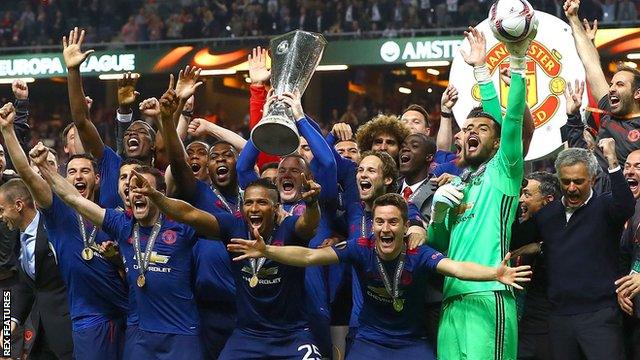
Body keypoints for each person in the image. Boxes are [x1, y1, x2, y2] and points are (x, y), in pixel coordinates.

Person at [227, 193, 531, 359]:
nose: (386, 228)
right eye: (380, 222)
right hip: (370, 342)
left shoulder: (418, 253)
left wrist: (496, 273)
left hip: (412, 344)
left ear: (404, 226)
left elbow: (457, 268)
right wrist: (267, 252)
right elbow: (308, 256)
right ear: (372, 226)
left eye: (393, 223)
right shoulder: (360, 249)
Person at [31, 145, 204, 359]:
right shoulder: (122, 223)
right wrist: (46, 170)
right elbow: (74, 199)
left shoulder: (182, 226)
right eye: (132, 188)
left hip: (180, 333)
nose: (136, 192)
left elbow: (212, 224)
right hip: (138, 333)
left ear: (160, 194)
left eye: (143, 187)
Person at [132, 175, 325, 359]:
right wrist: (157, 196)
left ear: (276, 209)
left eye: (262, 202)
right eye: (248, 202)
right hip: (248, 337)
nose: (254, 208)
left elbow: (308, 225)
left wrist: (312, 204)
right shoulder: (234, 227)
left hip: (292, 335)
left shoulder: (289, 228)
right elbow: (188, 214)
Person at [427, 26, 529, 359]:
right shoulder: (456, 184)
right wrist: (438, 214)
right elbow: (439, 246)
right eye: (467, 128)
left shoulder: (504, 172)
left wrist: (498, 66)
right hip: (452, 299)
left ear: (498, 143)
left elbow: (511, 119)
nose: (471, 131)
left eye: (482, 129)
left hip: (490, 294)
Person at [0, 102, 129, 359]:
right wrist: (7, 131)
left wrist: (118, 261)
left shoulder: (112, 213)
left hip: (128, 317)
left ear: (98, 178)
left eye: (85, 171)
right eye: (71, 171)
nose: (78, 176)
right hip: (86, 323)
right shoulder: (58, 216)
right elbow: (26, 172)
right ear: (64, 178)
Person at [514, 143, 634, 359]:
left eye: (578, 182)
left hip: (600, 316)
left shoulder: (605, 206)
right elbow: (515, 238)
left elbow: (626, 205)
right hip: (558, 318)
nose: (571, 188)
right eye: (565, 181)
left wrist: (613, 162)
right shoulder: (547, 215)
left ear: (593, 180)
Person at [0, 178, 73, 359]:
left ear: (18, 205)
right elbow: (27, 285)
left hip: (69, 328)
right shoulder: (17, 236)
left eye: (1, 210)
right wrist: (13, 319)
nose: (0, 216)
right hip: (40, 329)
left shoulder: (53, 230)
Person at [565, 0, 640, 163]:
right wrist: (573, 18)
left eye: (620, 84)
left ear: (637, 93)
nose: (611, 88)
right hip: (598, 187)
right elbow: (591, 65)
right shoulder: (609, 109)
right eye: (612, 84)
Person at [512, 172, 560, 360]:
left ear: (548, 200)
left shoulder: (563, 225)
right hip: (524, 319)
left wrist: (540, 248)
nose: (522, 199)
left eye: (527, 194)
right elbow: (514, 240)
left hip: (546, 321)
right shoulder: (528, 225)